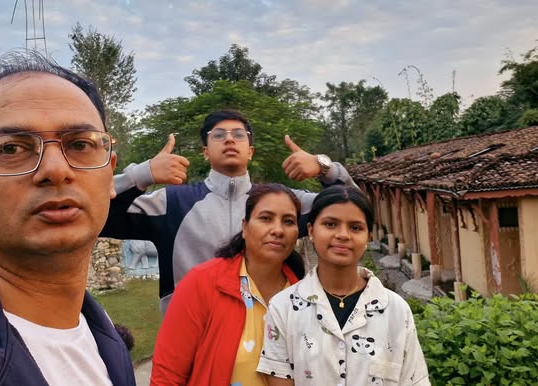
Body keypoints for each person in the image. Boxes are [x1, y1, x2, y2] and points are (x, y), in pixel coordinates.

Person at [0, 51, 135, 385]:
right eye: (11, 148)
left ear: (110, 176)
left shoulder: (103, 337)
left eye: (80, 144)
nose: (55, 169)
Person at [102, 109, 357, 313]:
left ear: (250, 151)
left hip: (271, 341)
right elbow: (98, 216)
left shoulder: (282, 204)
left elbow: (357, 210)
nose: (229, 139)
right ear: (205, 152)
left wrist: (325, 168)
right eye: (218, 135)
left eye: (238, 134)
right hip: (192, 340)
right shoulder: (172, 202)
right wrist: (142, 174)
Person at [257, 185, 430, 385]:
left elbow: (414, 379)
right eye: (330, 224)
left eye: (355, 228)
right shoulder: (283, 308)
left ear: (368, 237)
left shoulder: (397, 310)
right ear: (311, 231)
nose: (343, 235)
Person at [150, 184, 305, 386]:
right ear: (245, 227)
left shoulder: (303, 298)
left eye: (288, 221)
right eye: (266, 218)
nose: (278, 230)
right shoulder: (202, 283)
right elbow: (166, 376)